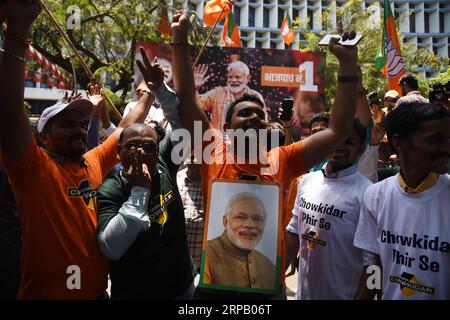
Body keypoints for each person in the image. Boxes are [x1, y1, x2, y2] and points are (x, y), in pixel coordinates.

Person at [145, 10, 360, 298]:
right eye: (245, 113)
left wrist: (348, 63)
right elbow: (185, 98)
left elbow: (339, 131)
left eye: (260, 113)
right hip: (214, 290)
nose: (254, 117)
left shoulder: (283, 159)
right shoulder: (213, 151)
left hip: (266, 290)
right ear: (226, 126)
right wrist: (179, 38)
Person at [0, 0, 159, 299]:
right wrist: (19, 29)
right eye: (66, 123)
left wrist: (148, 94)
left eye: (82, 122)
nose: (78, 128)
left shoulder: (92, 160)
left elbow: (126, 128)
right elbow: (9, 110)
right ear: (43, 138)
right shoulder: (31, 167)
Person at [354, 102, 450, 300]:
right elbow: (373, 266)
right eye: (435, 139)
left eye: (448, 138)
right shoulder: (375, 196)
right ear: (399, 143)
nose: (446, 147)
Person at [96, 123, 196, 299]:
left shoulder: (164, 165)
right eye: (132, 145)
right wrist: (140, 191)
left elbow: (184, 127)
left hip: (183, 287)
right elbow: (111, 248)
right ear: (118, 151)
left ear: (158, 151)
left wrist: (162, 95)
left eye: (149, 146)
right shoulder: (110, 189)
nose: (141, 152)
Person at [285, 118, 372, 299]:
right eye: (336, 139)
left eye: (349, 142)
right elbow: (293, 232)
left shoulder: (369, 193)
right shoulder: (307, 180)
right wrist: (273, 280)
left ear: (361, 149)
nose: (339, 146)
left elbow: (373, 264)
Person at [203, 192, 276, 290]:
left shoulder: (268, 265)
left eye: (257, 219)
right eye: (240, 217)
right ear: (225, 221)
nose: (250, 225)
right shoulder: (208, 253)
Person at [194, 61, 266, 130]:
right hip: (219, 141)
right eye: (230, 77)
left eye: (237, 77)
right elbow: (196, 106)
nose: (233, 80)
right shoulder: (217, 93)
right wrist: (194, 88)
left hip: (244, 140)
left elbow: (263, 122)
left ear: (248, 78)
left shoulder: (256, 96)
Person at [177, 153, 204, 271]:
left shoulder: (210, 183)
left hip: (201, 264)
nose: (195, 159)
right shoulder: (175, 179)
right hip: (176, 261)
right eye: (191, 154)